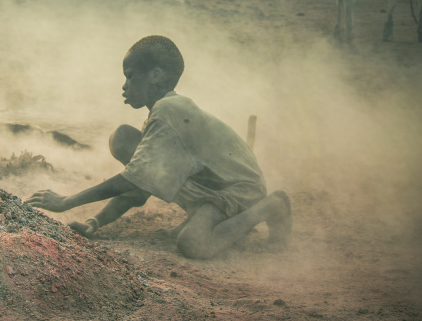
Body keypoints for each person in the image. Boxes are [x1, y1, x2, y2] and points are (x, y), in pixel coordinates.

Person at [27, 35, 291, 259]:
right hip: (214, 191)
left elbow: (129, 181)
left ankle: (271, 206)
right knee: (123, 137)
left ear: (154, 76)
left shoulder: (169, 111)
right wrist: (94, 222)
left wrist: (67, 201)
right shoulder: (162, 114)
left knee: (192, 244)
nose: (124, 85)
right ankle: (214, 220)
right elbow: (139, 187)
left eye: (130, 76)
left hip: (238, 193)